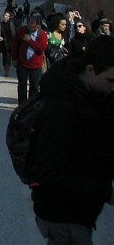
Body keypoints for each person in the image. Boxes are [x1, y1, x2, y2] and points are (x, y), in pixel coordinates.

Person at [30, 34, 114, 244]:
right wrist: (103, 192)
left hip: (80, 212)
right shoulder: (62, 107)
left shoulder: (94, 95)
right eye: (110, 80)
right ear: (90, 70)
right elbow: (51, 174)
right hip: (62, 214)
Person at [12, 13, 49, 105]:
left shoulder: (42, 35)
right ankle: (22, 105)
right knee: (22, 85)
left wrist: (29, 41)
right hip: (22, 62)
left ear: (38, 26)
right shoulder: (22, 31)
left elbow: (40, 49)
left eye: (33, 27)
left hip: (36, 65)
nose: (31, 29)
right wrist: (14, 58)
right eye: (29, 27)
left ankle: (32, 104)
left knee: (34, 86)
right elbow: (14, 44)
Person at [0, 10, 18, 76]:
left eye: (8, 16)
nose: (7, 17)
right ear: (3, 16)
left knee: (8, 56)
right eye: (6, 15)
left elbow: (13, 34)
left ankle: (7, 70)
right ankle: (5, 68)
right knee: (4, 56)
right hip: (3, 42)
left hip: (10, 42)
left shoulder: (11, 24)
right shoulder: (0, 24)